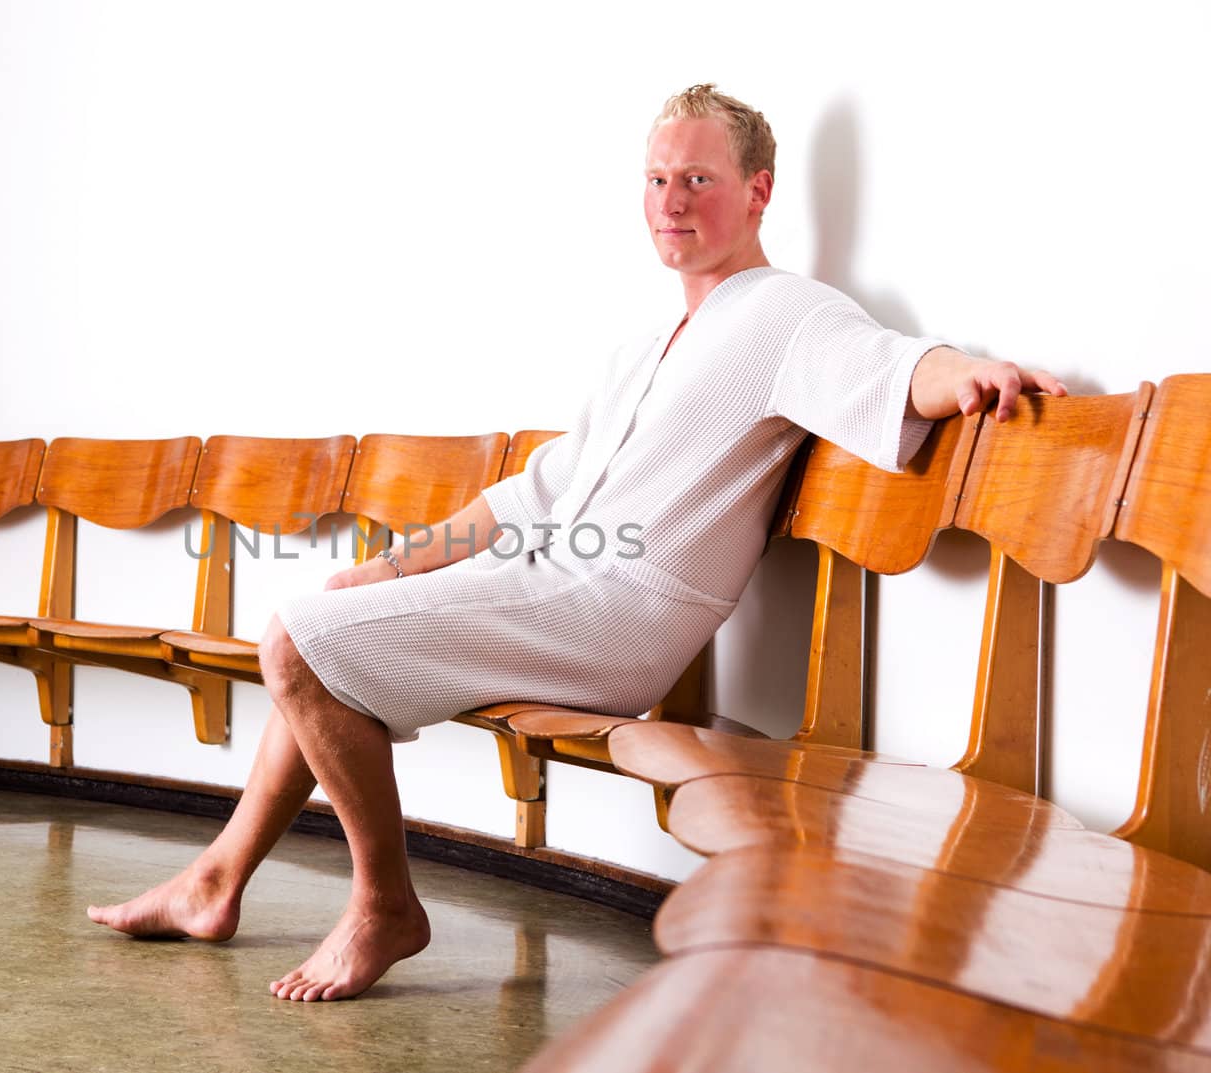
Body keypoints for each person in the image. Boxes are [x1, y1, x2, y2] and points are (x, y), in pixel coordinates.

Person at [86, 84, 1066, 1002]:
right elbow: (534, 490)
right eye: (655, 178)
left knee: (300, 639)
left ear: (757, 190)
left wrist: (969, 374)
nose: (670, 201)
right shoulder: (644, 347)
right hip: (554, 578)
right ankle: (217, 877)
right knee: (326, 623)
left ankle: (383, 904)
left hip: (622, 607)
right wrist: (385, 565)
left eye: (698, 179)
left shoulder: (784, 311)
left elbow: (892, 364)